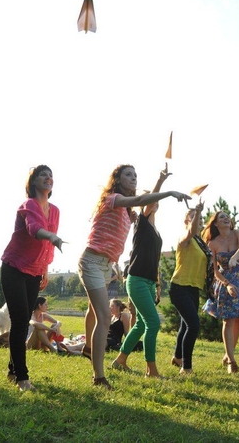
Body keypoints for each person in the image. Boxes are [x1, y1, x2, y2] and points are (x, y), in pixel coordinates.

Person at [79, 163, 190, 389]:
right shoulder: (112, 198)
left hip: (106, 265)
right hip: (91, 260)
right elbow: (143, 202)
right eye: (128, 175)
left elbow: (146, 203)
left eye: (135, 175)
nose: (134, 178)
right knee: (103, 315)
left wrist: (159, 181)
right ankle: (98, 376)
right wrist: (168, 191)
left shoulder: (129, 213)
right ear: (117, 179)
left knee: (94, 311)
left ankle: (89, 348)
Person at [111, 165, 184, 379]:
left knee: (142, 323)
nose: (154, 202)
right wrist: (161, 181)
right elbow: (150, 199)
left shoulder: (155, 229)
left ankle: (120, 360)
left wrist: (158, 284)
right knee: (153, 323)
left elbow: (155, 260)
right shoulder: (142, 222)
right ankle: (151, 370)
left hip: (149, 281)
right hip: (137, 279)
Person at [0, 165, 65, 391]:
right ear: (33, 182)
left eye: (51, 175)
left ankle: (12, 370)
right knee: (19, 321)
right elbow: (33, 229)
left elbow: (47, 246)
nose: (48, 177)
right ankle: (22, 378)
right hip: (14, 267)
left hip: (35, 271)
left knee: (23, 319)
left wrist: (45, 268)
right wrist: (52, 236)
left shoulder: (55, 210)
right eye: (42, 175)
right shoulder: (28, 205)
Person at [201, 210, 239, 374]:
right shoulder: (212, 243)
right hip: (225, 281)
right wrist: (227, 284)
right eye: (222, 217)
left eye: (227, 216)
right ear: (215, 224)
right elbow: (215, 271)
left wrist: (234, 258)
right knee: (228, 320)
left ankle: (228, 354)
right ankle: (232, 362)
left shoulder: (238, 233)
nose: (226, 218)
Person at [168, 200, 213, 375]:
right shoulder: (184, 238)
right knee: (193, 325)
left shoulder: (201, 243)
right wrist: (198, 211)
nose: (198, 219)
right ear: (186, 221)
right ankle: (186, 367)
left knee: (185, 325)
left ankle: (177, 357)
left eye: (200, 218)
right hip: (179, 286)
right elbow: (191, 231)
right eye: (193, 217)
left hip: (194, 288)